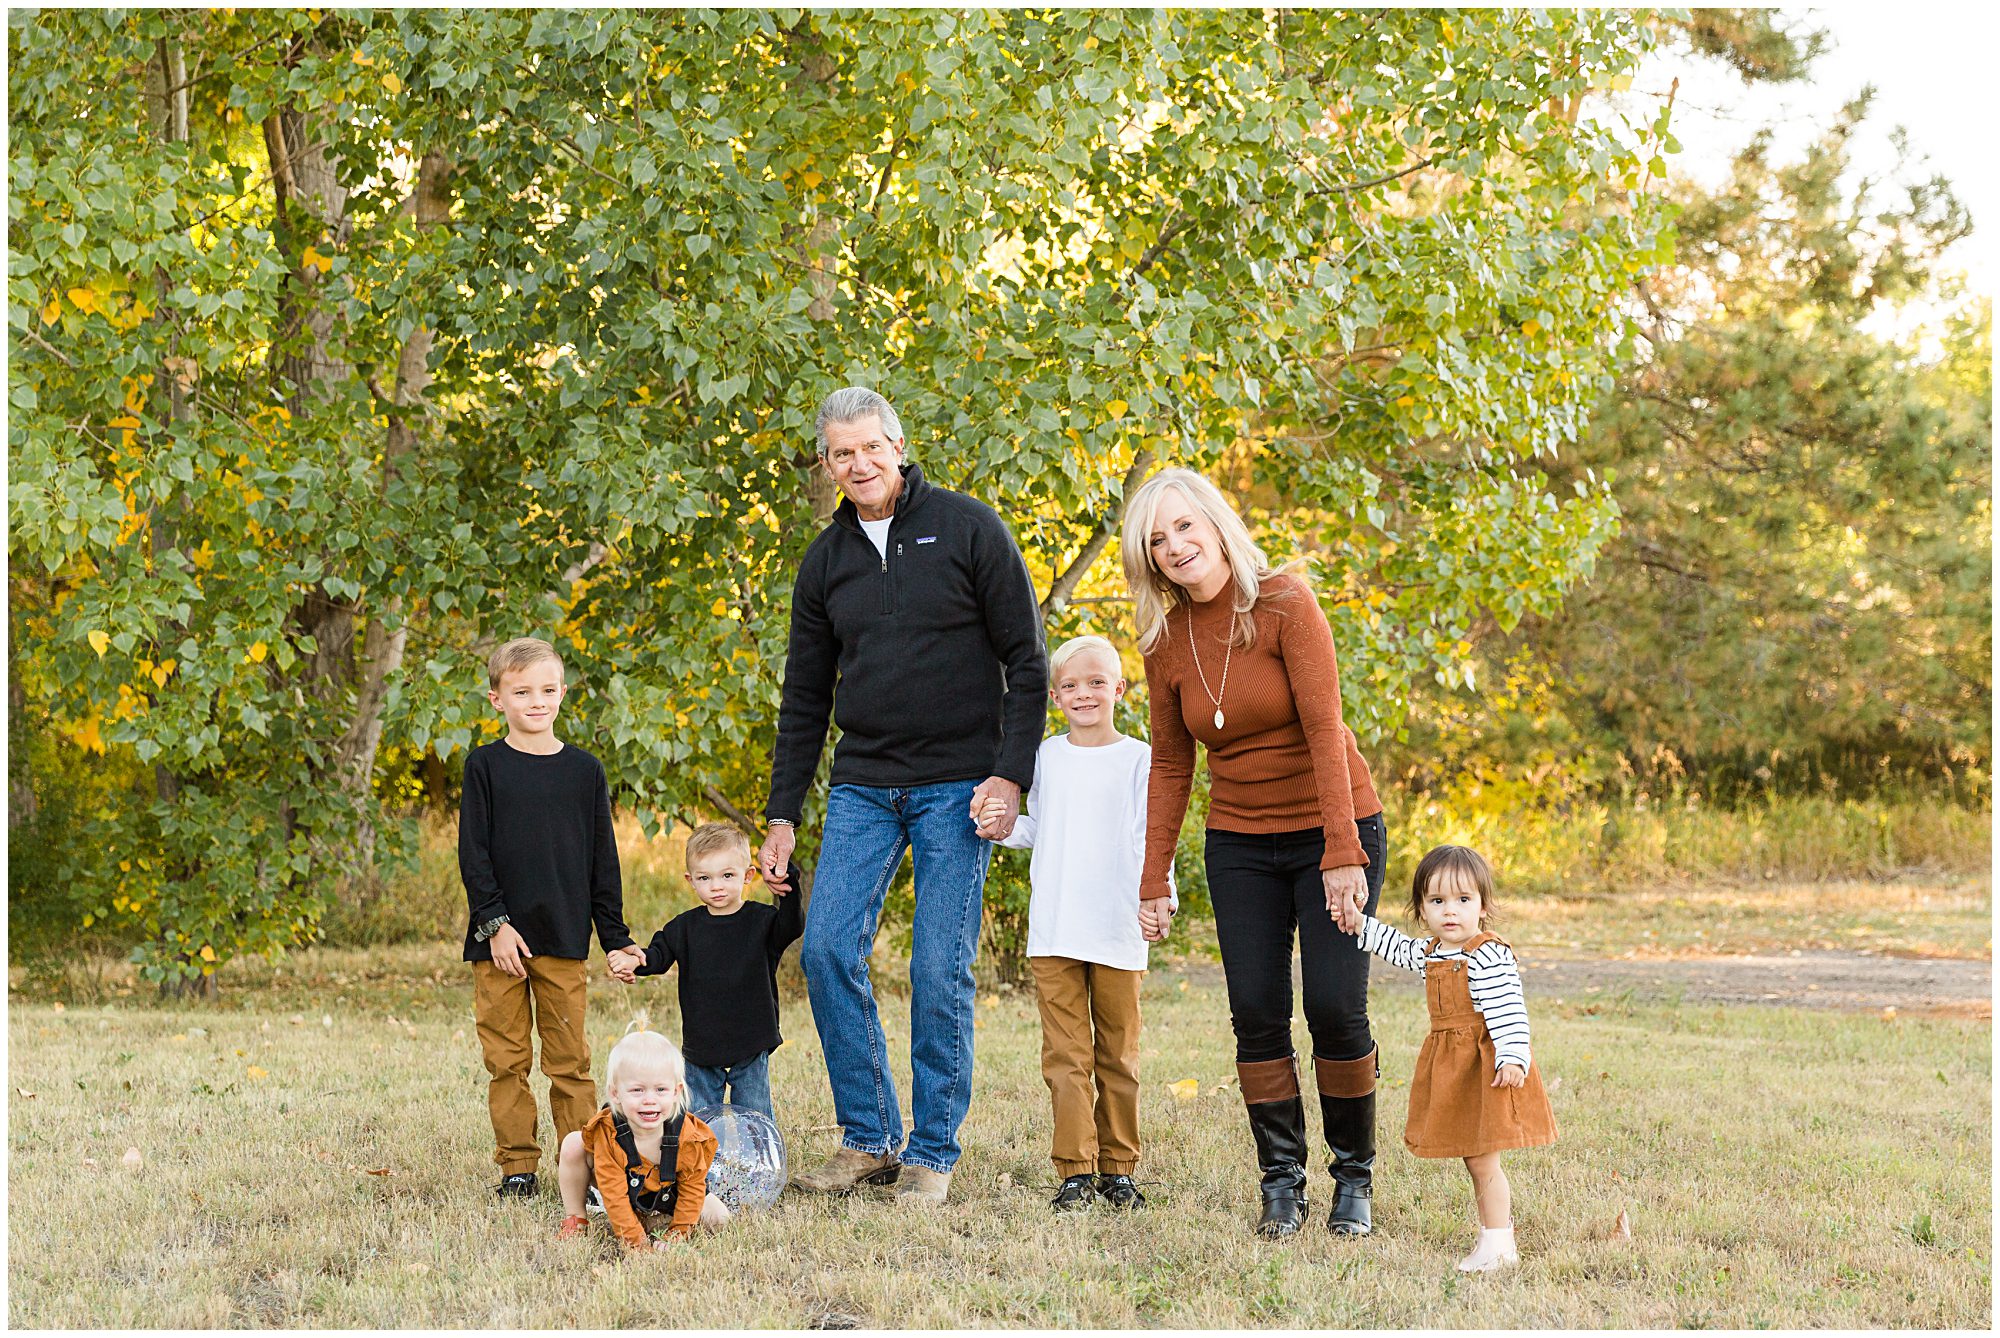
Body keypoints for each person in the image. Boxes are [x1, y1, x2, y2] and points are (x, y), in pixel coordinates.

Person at [760, 386, 1048, 1206]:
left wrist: (1009, 774)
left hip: (960, 785)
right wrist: (781, 816)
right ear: (826, 463)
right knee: (823, 950)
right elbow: (804, 699)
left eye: (869, 448)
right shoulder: (826, 561)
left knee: (937, 966)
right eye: (839, 454)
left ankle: (932, 1152)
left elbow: (1028, 663)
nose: (858, 465)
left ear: (897, 444)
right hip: (864, 784)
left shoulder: (967, 527)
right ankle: (870, 1139)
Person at [1119, 467, 1388, 1240]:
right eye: (1156, 540)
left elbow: (1324, 728)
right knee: (1257, 1014)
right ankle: (1280, 1182)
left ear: (1215, 523)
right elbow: (1172, 766)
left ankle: (1353, 1179)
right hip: (1239, 840)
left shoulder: (1284, 602)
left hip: (1332, 827)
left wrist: (1343, 853)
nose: (1174, 547)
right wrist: (1152, 877)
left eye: (1182, 528)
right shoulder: (1164, 642)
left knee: (1336, 1008)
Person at [973, 634, 1176, 1212]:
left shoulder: (1141, 759)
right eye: (1069, 686)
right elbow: (1038, 828)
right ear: (1055, 696)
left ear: (1119, 688)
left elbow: (1153, 839)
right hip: (1056, 929)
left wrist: (1162, 897)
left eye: (1095, 682)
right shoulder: (1041, 758)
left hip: (1119, 928)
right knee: (1066, 1059)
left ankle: (1118, 1168)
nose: (1083, 693)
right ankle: (1075, 1170)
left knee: (1119, 1057)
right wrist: (1000, 826)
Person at [459, 636, 646, 1199]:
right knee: (507, 1060)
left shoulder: (583, 771)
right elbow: (474, 854)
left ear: (562, 693)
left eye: (546, 690)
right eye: (521, 692)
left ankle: (584, 1166)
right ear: (497, 699)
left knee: (570, 1063)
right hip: (500, 945)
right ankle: (517, 1167)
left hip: (564, 939)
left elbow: (601, 862)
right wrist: (495, 923)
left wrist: (615, 937)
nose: (535, 701)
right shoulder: (485, 766)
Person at [1344, 844, 1556, 1272]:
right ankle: (1494, 1237)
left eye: (1463, 900)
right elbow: (1395, 946)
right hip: (1455, 1070)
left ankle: (1499, 1244)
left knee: (1483, 1157)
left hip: (1486, 1069)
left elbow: (1509, 1009)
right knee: (1472, 1155)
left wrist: (1512, 1058)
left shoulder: (1487, 953)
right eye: (1437, 901)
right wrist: (1358, 924)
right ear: (1422, 909)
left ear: (1482, 905)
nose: (1450, 912)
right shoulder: (1432, 953)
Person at [609, 822, 803, 1121]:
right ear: (691, 880)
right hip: (702, 1043)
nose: (716, 886)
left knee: (754, 1115)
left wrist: (788, 889)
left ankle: (759, 1165)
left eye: (727, 875)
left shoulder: (761, 920)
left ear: (748, 875)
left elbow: (791, 926)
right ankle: (698, 1166)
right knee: (698, 1118)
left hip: (750, 1038)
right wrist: (636, 960)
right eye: (705, 877)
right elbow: (658, 956)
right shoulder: (684, 928)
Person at [554, 1030, 729, 1246]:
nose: (649, 1100)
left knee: (720, 1218)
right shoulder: (609, 1133)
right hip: (624, 1189)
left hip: (671, 1193)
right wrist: (636, 1243)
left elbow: (692, 1190)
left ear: (676, 1092)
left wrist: (677, 1235)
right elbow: (614, 1194)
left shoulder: (688, 1136)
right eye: (637, 1090)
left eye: (660, 1089)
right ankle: (576, 1219)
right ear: (616, 1093)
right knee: (573, 1143)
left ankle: (657, 1220)